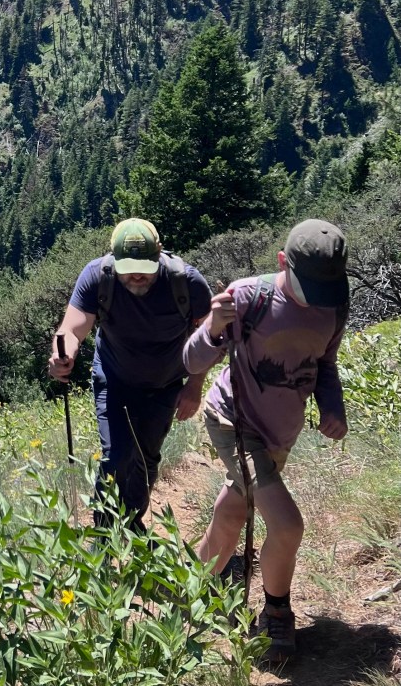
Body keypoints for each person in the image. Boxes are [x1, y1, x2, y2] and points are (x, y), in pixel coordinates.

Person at [183, 219, 349, 663]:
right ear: (282, 262)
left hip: (280, 432)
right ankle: (276, 611)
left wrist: (333, 408)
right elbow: (193, 358)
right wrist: (214, 327)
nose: (316, 299)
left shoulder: (335, 302)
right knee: (288, 524)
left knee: (235, 510)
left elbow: (325, 364)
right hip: (233, 420)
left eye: (324, 289)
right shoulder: (248, 297)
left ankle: (194, 586)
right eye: (308, 287)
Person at [49, 217, 212, 532]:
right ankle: (104, 534)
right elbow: (72, 328)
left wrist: (195, 386)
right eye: (128, 268)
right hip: (115, 378)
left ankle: (132, 524)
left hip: (165, 385)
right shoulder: (97, 277)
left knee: (147, 459)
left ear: (159, 254)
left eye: (145, 267)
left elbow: (207, 338)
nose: (137, 275)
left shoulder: (187, 283)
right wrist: (61, 355)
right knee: (116, 456)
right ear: (113, 258)